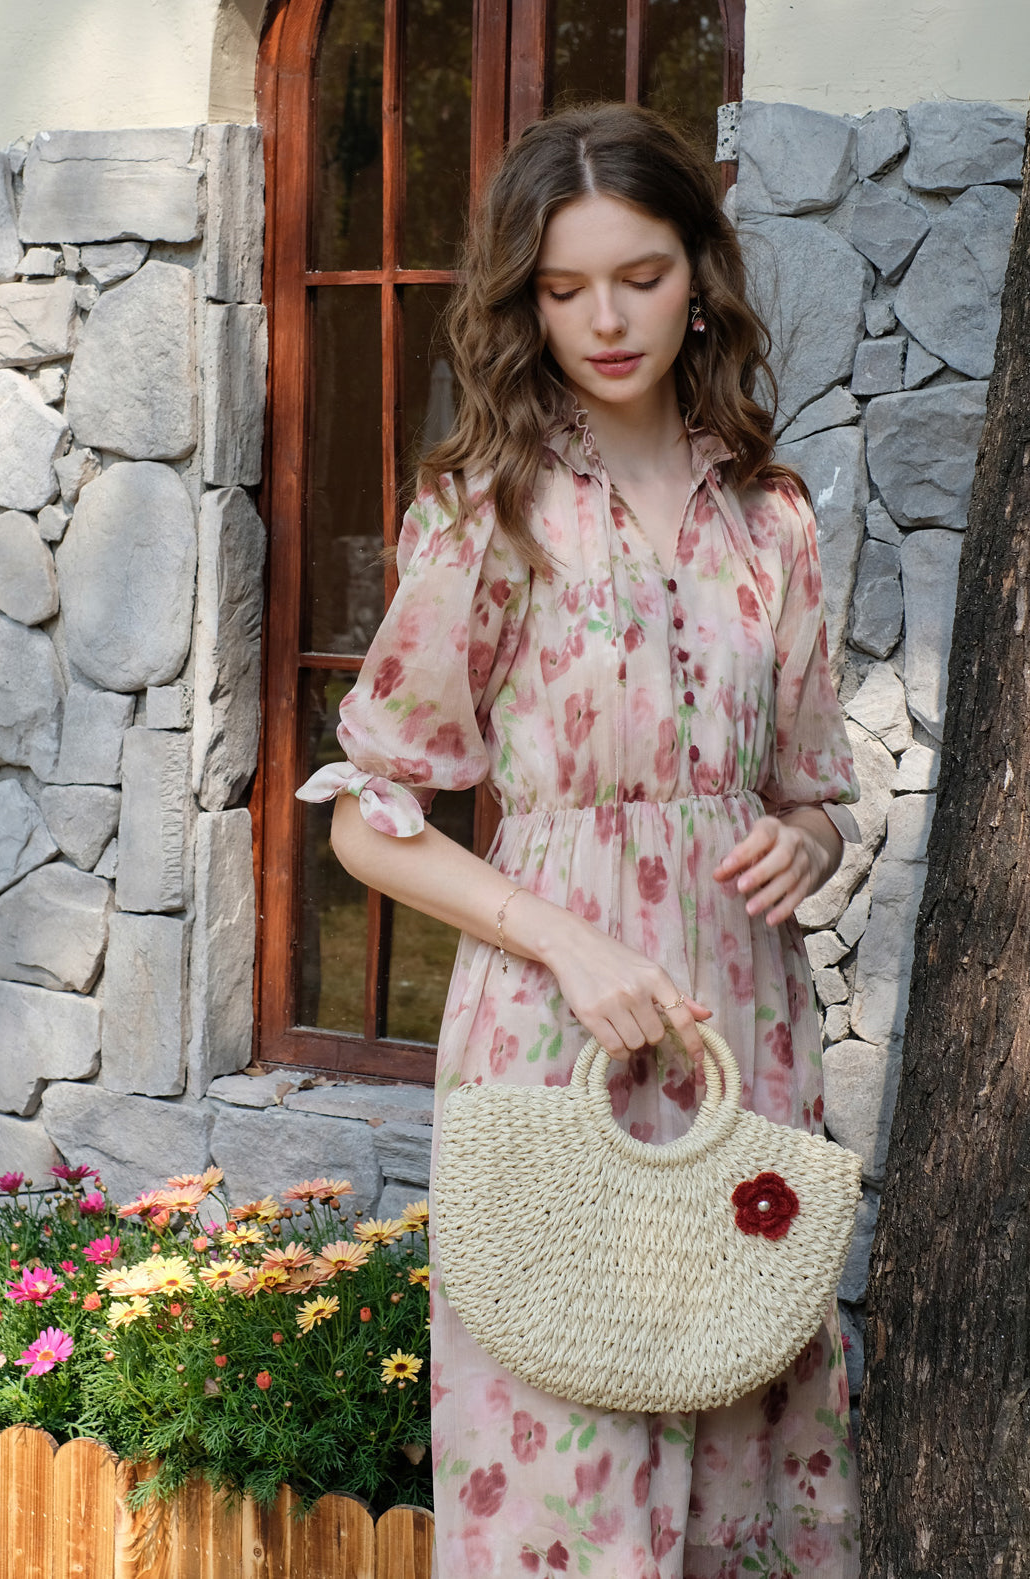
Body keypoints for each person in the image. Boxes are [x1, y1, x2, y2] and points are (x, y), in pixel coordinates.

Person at [298, 101, 861, 1579]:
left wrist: (801, 844)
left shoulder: (774, 522)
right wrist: (567, 936)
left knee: (748, 1455)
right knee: (569, 1488)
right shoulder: (486, 508)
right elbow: (370, 817)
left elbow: (805, 789)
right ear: (521, 300)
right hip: (555, 1036)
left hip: (748, 1034)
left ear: (702, 277)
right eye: (561, 288)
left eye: (642, 275)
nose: (606, 320)